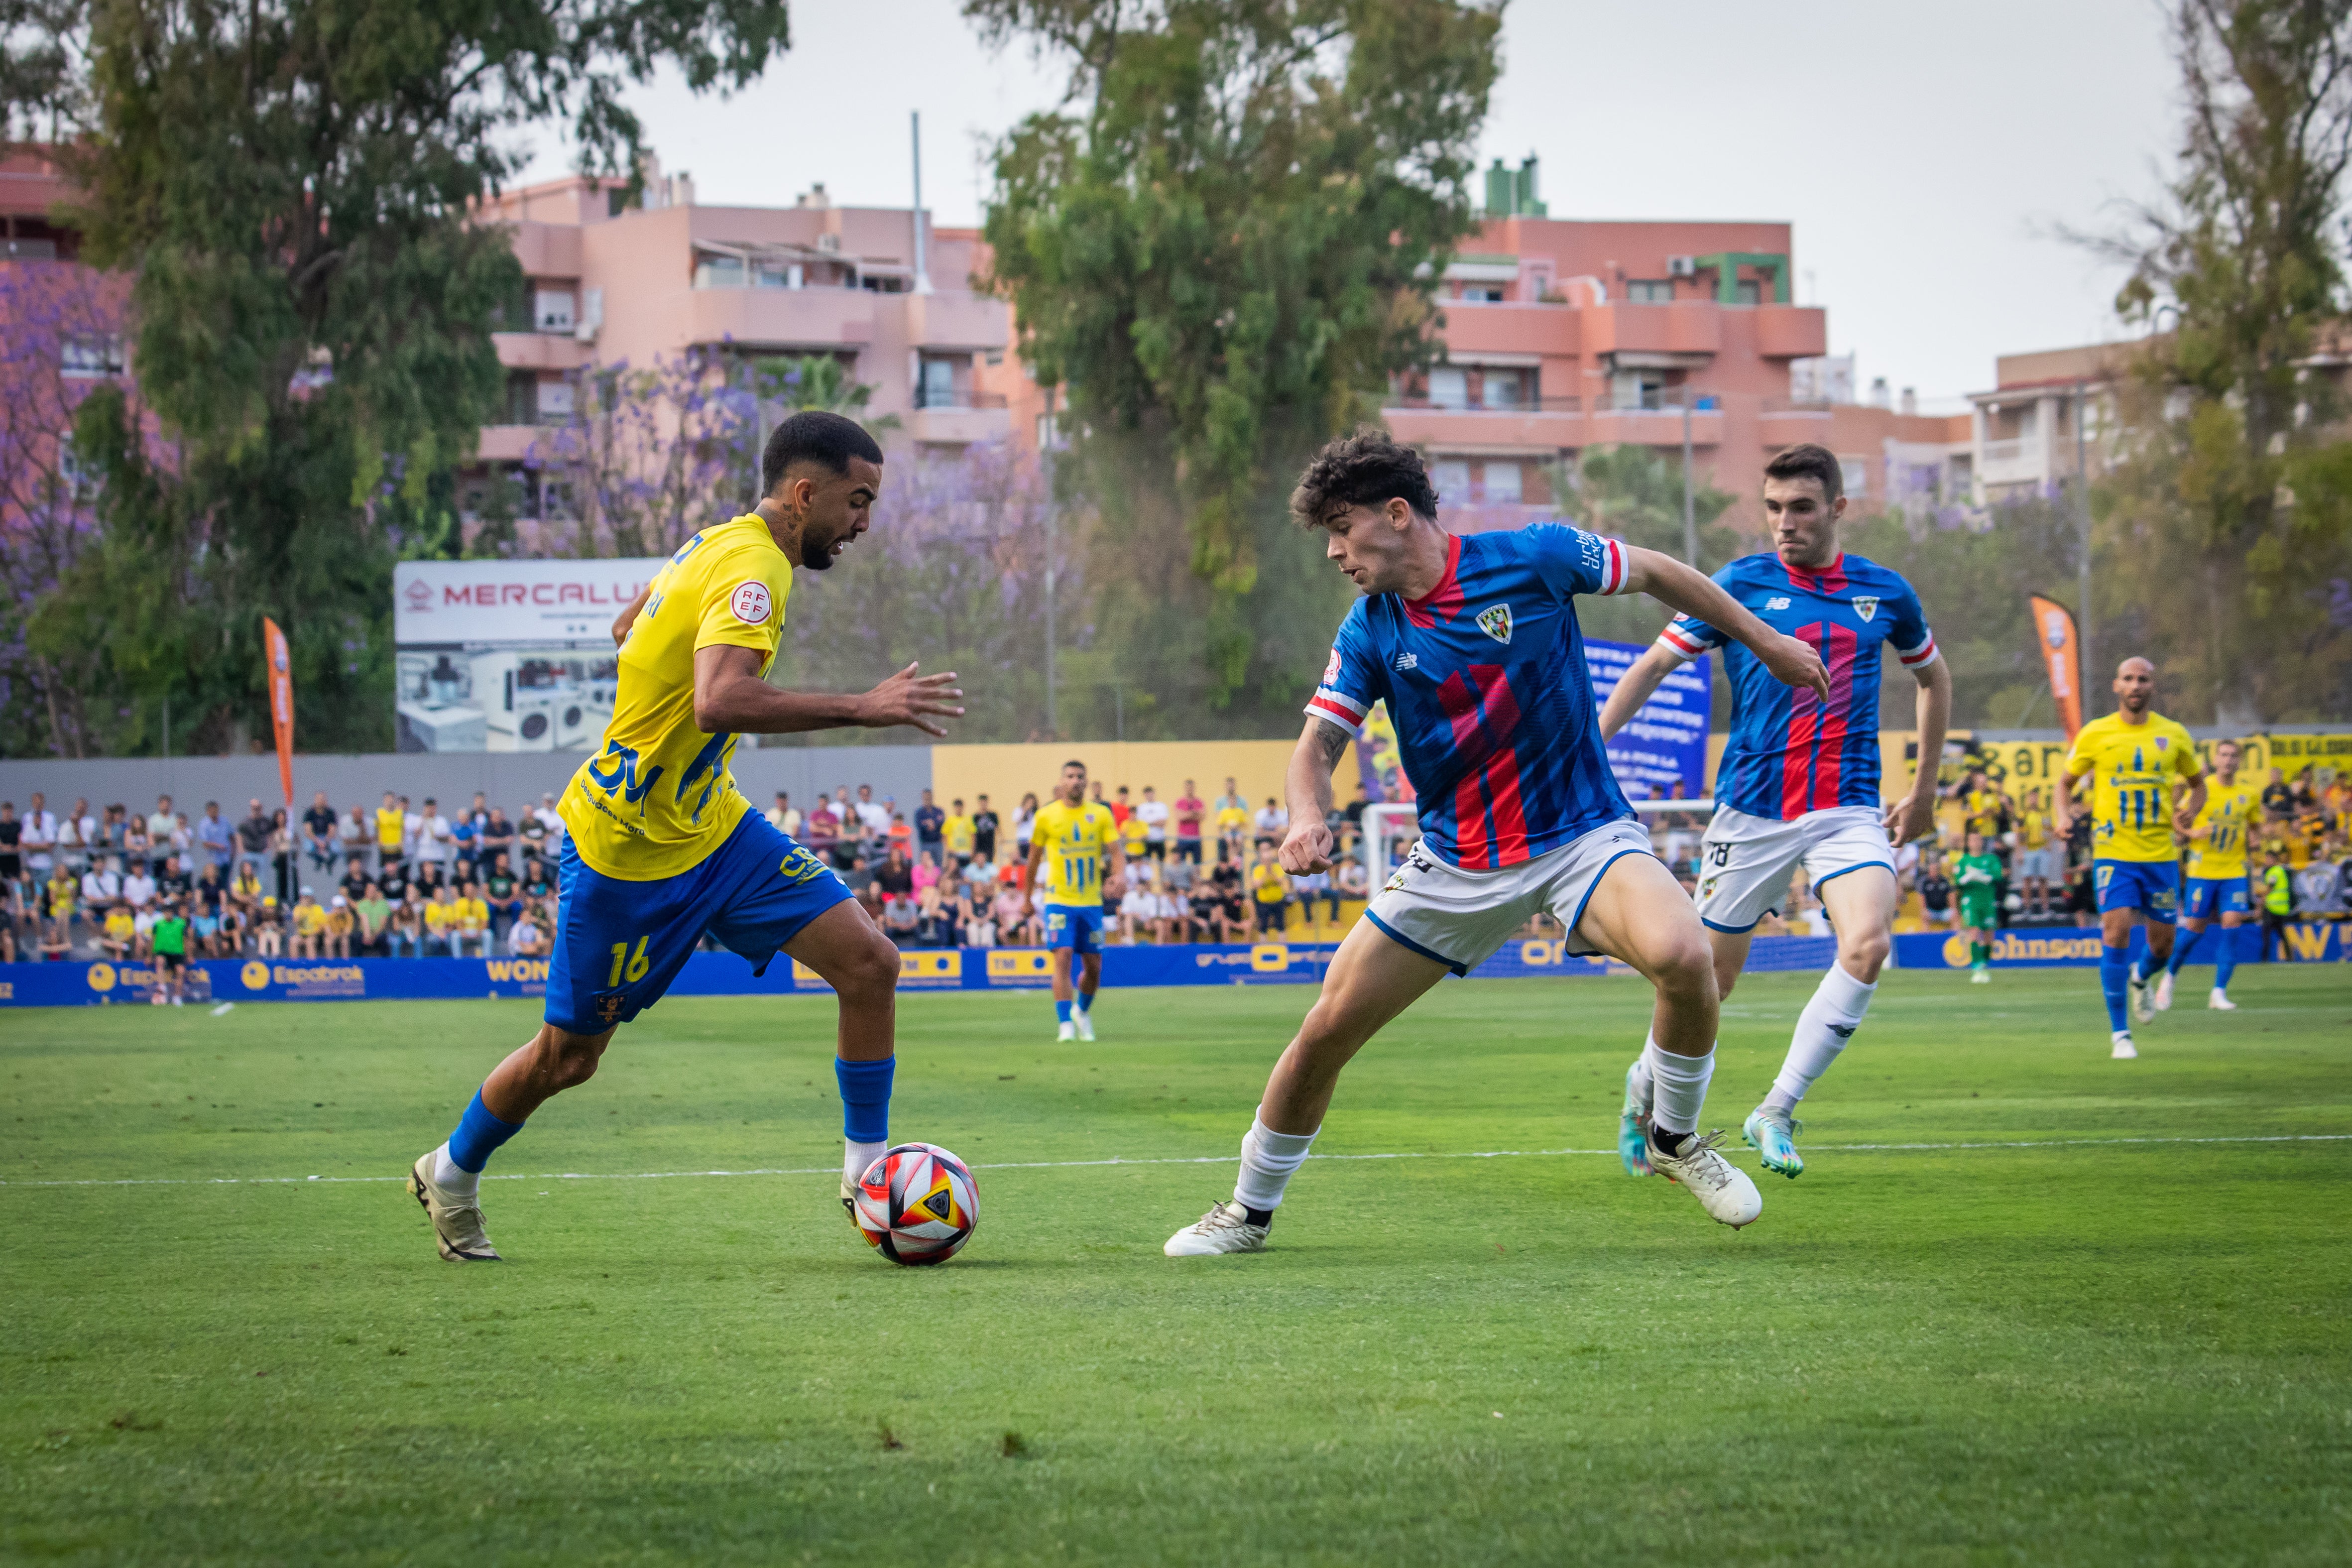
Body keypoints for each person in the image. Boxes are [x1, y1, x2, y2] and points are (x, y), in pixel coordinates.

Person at [1164, 430, 1828, 1257]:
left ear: (1396, 514)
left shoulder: (1537, 556)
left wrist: (1761, 641)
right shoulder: (1370, 628)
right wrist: (1306, 813)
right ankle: (1245, 1211)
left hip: (1580, 833)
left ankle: (1671, 1134)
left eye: (1341, 528)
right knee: (1327, 1026)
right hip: (1454, 858)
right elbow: (1315, 744)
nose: (1334, 551)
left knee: (1684, 954)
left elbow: (1660, 572)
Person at [406, 409, 963, 1264]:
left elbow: (630, 624)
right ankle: (449, 1170)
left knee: (870, 962)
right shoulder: (754, 567)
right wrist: (865, 705)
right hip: (625, 851)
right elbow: (719, 700)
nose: (862, 523)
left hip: (713, 827)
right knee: (568, 1058)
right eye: (857, 501)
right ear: (805, 492)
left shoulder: (712, 544)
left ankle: (866, 1172)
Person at [1597, 442, 1948, 1179]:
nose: (1785, 523)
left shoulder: (1884, 593)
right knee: (1705, 985)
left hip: (1847, 806)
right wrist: (1590, 746)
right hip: (1751, 810)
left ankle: (1776, 1109)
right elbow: (1655, 664)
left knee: (1869, 943)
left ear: (1838, 509)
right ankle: (1644, 1089)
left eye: (1802, 508)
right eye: (1774, 508)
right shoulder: (1740, 584)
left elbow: (1933, 679)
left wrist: (1923, 790)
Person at [2055, 657, 2205, 1060]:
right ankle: (2120, 1034)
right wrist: (2061, 814)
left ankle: (2142, 975)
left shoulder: (2173, 735)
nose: (2136, 685)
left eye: (2143, 679)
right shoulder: (2096, 733)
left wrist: (2192, 808)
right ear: (2116, 685)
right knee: (2115, 930)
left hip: (2159, 854)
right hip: (2113, 851)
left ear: (2152, 687)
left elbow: (2198, 784)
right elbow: (2064, 783)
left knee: (2163, 944)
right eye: (2128, 679)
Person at [1025, 759, 1126, 1041]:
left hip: (1091, 901)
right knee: (1064, 956)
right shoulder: (1046, 816)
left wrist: (1120, 876)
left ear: (1086, 781)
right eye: (1070, 776)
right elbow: (1033, 861)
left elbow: (1116, 852)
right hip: (1058, 899)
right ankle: (1065, 1026)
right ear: (1062, 782)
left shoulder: (1101, 814)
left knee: (1094, 966)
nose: (1076, 780)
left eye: (1080, 776)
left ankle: (1081, 1012)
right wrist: (1027, 898)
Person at [2160, 737, 2258, 1010]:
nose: (2228, 760)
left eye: (2233, 756)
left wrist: (2256, 840)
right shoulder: (2202, 790)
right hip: (2203, 871)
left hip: (2234, 870)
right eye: (2224, 755)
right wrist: (2193, 833)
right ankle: (2169, 977)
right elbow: (2176, 820)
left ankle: (2219, 992)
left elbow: (2255, 824)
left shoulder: (2249, 794)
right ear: (2216, 760)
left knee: (2232, 926)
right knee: (2193, 930)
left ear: (2239, 761)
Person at [1953, 832, 2002, 982]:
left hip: (1988, 901)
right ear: (1968, 843)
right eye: (1973, 840)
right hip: (1971, 902)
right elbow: (1958, 882)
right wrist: (1969, 877)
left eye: (1978, 840)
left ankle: (1984, 966)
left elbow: (1998, 877)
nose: (1975, 842)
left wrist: (1979, 876)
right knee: (1974, 932)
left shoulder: (1991, 859)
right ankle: (1977, 967)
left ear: (1982, 842)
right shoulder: (1963, 861)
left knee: (1989, 937)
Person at [2013, 787, 2059, 916]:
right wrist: (2019, 852)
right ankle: (2027, 908)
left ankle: (2045, 908)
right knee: (2027, 880)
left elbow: (2050, 830)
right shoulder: (2023, 815)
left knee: (2043, 880)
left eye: (2036, 797)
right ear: (2028, 799)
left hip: (2042, 850)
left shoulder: (2044, 813)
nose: (2034, 799)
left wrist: (2049, 845)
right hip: (2028, 850)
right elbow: (2018, 834)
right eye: (2031, 797)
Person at [149, 900, 189, 1004]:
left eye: (170, 912)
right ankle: (162, 987)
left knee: (181, 971)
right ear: (163, 913)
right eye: (166, 912)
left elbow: (186, 940)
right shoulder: (158, 924)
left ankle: (177, 997)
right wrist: (149, 956)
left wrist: (189, 955)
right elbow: (152, 940)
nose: (168, 914)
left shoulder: (181, 924)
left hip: (177, 953)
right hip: (163, 951)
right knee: (160, 961)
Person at [1249, 841, 1291, 935]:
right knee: (1263, 926)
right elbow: (1256, 885)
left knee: (1281, 925)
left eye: (1268, 849)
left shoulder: (1277, 866)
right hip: (1263, 902)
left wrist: (1270, 871)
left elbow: (1280, 881)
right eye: (1263, 850)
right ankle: (1263, 947)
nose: (1266, 852)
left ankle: (1282, 947)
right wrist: (1266, 871)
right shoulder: (1256, 867)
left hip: (1278, 900)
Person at [303, 791, 340, 872]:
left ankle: (329, 863)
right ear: (315, 800)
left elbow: (332, 830)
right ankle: (319, 861)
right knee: (308, 849)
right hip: (314, 837)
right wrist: (318, 842)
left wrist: (325, 841)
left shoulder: (330, 813)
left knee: (336, 850)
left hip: (327, 837)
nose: (320, 801)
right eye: (318, 799)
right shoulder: (309, 813)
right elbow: (308, 831)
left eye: (322, 799)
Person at [1174, 780, 1205, 864]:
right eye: (1188, 787)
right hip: (1183, 838)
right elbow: (1180, 817)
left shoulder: (1199, 802)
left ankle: (1197, 878)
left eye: (1191, 787)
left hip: (1196, 838)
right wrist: (1194, 813)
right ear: (1185, 788)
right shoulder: (1180, 802)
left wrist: (1186, 815)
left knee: (1197, 864)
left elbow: (1202, 816)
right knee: (1181, 864)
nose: (1189, 789)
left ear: (1194, 788)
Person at [914, 789, 945, 864]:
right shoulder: (919, 813)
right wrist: (929, 824)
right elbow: (919, 825)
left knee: (938, 866)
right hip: (926, 844)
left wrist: (929, 823)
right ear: (923, 798)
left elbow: (941, 822)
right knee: (926, 866)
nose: (927, 799)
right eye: (925, 797)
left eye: (929, 797)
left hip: (938, 843)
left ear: (932, 797)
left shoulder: (939, 811)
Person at [943, 799, 975, 865]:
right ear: (954, 808)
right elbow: (944, 835)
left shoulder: (968, 819)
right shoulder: (950, 820)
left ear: (963, 808)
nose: (958, 809)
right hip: (954, 851)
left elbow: (973, 835)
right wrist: (948, 848)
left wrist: (973, 850)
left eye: (960, 807)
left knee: (965, 870)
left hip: (966, 852)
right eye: (957, 807)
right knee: (954, 870)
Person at [972, 795, 999, 864]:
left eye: (985, 802)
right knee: (978, 863)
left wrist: (1001, 838)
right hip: (979, 845)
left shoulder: (993, 815)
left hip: (990, 844)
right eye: (982, 803)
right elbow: (973, 833)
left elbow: (998, 828)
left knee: (989, 863)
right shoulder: (975, 817)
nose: (983, 805)